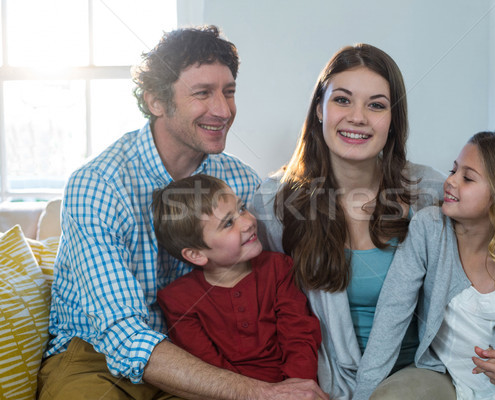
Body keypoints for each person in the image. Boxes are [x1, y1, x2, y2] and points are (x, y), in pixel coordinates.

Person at [38, 26, 329, 400]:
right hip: (99, 358)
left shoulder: (238, 180)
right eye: (202, 94)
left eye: (228, 92)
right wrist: (264, 393)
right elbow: (125, 338)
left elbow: (283, 267)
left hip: (211, 359)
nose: (223, 111)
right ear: (157, 101)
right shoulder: (99, 186)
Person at [251, 43, 454, 400]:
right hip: (322, 376)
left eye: (376, 105)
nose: (357, 117)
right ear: (319, 109)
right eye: (342, 100)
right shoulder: (274, 201)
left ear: (393, 121)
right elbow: (266, 305)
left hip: (415, 375)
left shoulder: (430, 193)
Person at [353, 131, 495, 400]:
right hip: (452, 380)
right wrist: (362, 394)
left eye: (467, 177)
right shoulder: (430, 229)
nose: (450, 181)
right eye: (454, 170)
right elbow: (392, 314)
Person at [153, 174, 321, 383]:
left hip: (294, 387)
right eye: (228, 223)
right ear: (196, 254)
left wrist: (296, 386)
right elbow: (208, 368)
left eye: (241, 208)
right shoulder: (178, 301)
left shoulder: (278, 268)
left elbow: (299, 336)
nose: (247, 222)